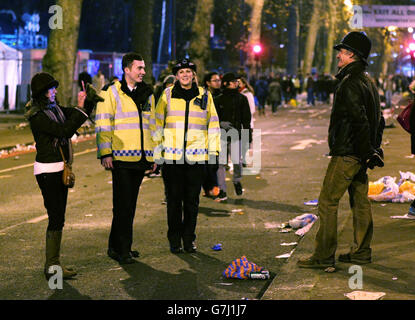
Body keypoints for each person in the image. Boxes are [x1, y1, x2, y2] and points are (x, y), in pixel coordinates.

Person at [297, 31, 385, 269]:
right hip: (361, 152)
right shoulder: (367, 81)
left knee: (327, 201)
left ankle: (323, 255)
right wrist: (373, 149)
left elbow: (359, 120)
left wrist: (366, 150)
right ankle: (361, 251)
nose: (338, 56)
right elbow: (379, 119)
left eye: (342, 52)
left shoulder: (350, 82)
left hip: (348, 152)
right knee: (360, 201)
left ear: (352, 55)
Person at [25, 72, 93, 280]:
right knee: (55, 217)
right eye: (51, 88)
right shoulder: (37, 116)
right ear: (42, 93)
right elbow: (64, 130)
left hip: (59, 168)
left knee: (58, 218)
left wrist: (84, 103)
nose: (54, 91)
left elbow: (74, 116)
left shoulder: (54, 109)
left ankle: (54, 264)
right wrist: (80, 112)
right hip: (48, 171)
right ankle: (52, 267)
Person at [152, 58, 220, 253]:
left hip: (196, 158)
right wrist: (157, 152)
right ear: (177, 76)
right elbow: (157, 124)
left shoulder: (205, 95)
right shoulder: (167, 95)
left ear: (194, 75)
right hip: (172, 158)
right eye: (181, 72)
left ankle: (189, 239)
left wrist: (213, 151)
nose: (185, 75)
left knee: (192, 202)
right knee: (174, 202)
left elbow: (213, 124)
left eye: (188, 72)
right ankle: (174, 240)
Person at [95, 52, 156, 264]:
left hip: (140, 158)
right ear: (126, 70)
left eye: (144, 68)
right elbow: (103, 124)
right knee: (123, 205)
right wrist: (105, 153)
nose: (143, 72)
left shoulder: (148, 94)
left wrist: (153, 154)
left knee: (129, 205)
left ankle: (119, 246)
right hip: (120, 158)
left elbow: (152, 126)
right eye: (139, 68)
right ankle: (122, 250)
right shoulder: (110, 92)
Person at [214, 72, 252, 202]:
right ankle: (222, 190)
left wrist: (248, 136)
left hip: (236, 136)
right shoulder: (218, 99)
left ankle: (237, 180)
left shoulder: (242, 99)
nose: (237, 83)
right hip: (221, 136)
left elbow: (246, 120)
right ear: (226, 83)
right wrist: (220, 123)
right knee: (220, 164)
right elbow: (213, 119)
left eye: (237, 81)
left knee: (237, 161)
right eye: (233, 81)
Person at [201, 71, 222, 198]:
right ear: (208, 83)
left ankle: (214, 187)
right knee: (206, 163)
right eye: (215, 80)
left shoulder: (222, 95)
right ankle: (209, 187)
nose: (218, 82)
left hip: (219, 132)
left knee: (214, 163)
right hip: (204, 134)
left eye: (219, 80)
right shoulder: (203, 96)